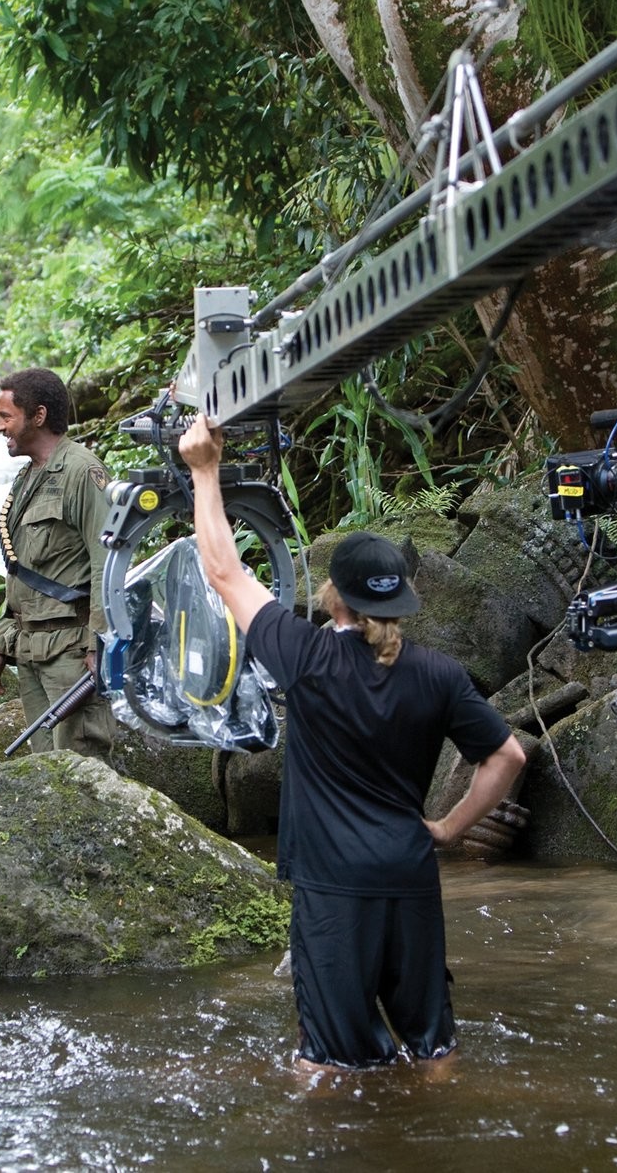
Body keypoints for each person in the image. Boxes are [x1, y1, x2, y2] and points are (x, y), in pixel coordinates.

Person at [177, 416, 527, 1070]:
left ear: (333, 596)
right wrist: (448, 829)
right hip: (410, 875)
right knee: (433, 1048)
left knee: (329, 1065)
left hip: (334, 889)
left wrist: (204, 470)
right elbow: (508, 757)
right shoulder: (441, 676)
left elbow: (224, 571)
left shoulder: (304, 657)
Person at [0, 368, 118, 759]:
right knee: (47, 775)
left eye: (6, 417)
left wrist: (100, 645)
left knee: (83, 773)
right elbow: (23, 574)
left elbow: (107, 562)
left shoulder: (82, 473)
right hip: (31, 653)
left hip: (73, 657)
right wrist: (0, 646)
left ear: (37, 416)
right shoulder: (26, 478)